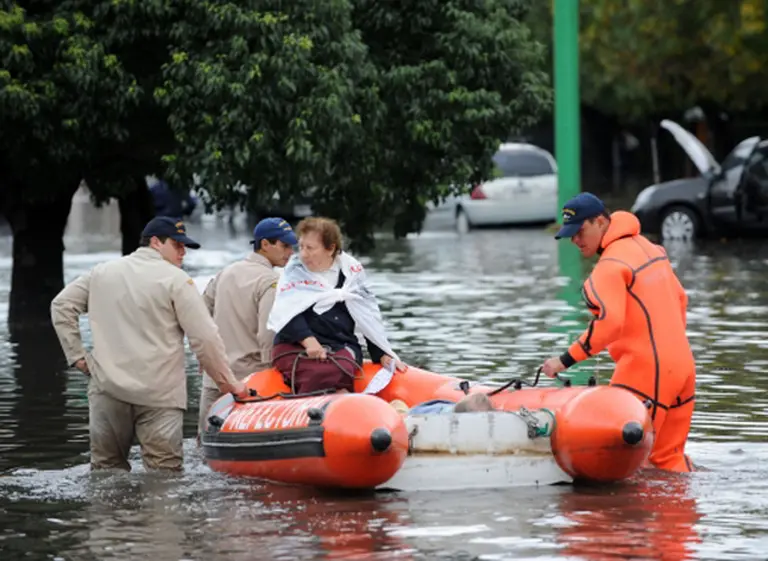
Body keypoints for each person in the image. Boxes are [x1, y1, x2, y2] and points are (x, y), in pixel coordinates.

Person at [50, 217, 247, 472]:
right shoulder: (177, 280)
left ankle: (106, 514)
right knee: (164, 476)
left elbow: (61, 306)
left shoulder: (101, 273)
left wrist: (77, 356)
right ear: (156, 242)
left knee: (106, 471)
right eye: (177, 245)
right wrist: (228, 384)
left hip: (107, 390)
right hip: (160, 395)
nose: (183, 252)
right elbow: (206, 339)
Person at [540, 192, 696, 473]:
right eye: (570, 235)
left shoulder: (609, 268)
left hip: (645, 371)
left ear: (600, 221)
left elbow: (610, 325)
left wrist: (562, 361)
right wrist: (669, 349)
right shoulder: (650, 248)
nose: (575, 240)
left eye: (580, 231)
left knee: (628, 467)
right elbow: (681, 299)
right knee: (668, 463)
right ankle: (682, 517)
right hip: (683, 366)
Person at [267, 217, 405, 394]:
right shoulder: (293, 273)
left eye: (310, 248)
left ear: (330, 248)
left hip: (340, 345)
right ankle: (316, 405)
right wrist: (309, 341)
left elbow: (366, 315)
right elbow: (286, 312)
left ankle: (339, 402)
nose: (303, 254)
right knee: (315, 371)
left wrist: (381, 353)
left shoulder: (351, 273)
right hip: (295, 345)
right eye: (301, 247)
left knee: (336, 368)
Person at [197, 217, 296, 437]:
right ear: (265, 245)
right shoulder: (270, 281)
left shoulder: (225, 272)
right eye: (285, 246)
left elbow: (200, 315)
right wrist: (275, 372)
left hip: (215, 375)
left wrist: (204, 356)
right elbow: (267, 333)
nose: (290, 252)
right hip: (249, 378)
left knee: (205, 446)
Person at [392, 393, 496, 415]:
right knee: (397, 405)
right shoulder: (435, 415)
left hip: (447, 407)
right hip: (416, 411)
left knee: (398, 404)